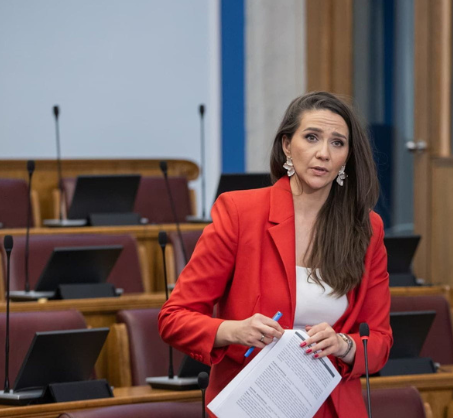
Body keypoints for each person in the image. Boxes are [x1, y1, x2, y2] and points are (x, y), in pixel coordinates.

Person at [159, 91, 392, 417]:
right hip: (254, 405)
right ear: (286, 145)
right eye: (311, 137)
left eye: (337, 143)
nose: (323, 153)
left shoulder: (367, 227)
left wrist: (344, 345)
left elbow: (379, 341)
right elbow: (174, 318)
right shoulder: (240, 212)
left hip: (333, 406)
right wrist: (234, 330)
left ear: (347, 157)